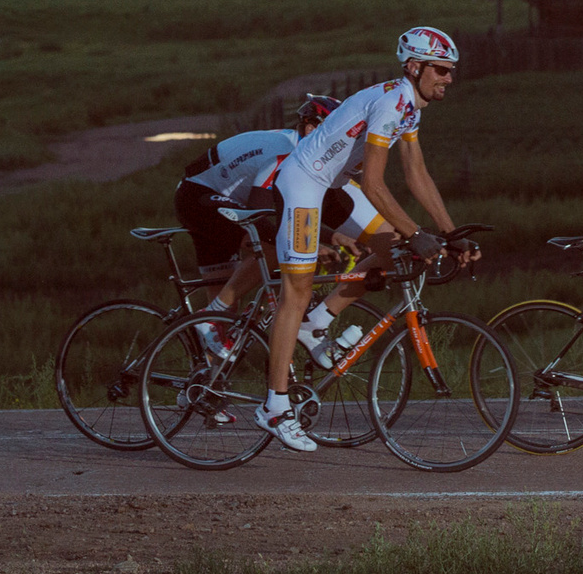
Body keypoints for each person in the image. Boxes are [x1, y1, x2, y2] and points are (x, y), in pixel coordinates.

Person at [250, 27, 472, 452]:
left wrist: (450, 233)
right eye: (442, 70)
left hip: (333, 186)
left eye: (451, 72)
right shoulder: (391, 102)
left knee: (396, 250)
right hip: (303, 183)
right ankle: (275, 407)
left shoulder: (409, 106)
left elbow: (416, 175)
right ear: (415, 66)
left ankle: (318, 324)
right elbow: (373, 183)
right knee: (295, 291)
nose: (448, 78)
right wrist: (418, 231)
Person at [175, 96, 378, 356]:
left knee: (221, 325)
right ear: (311, 129)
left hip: (215, 196)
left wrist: (334, 235)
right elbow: (261, 215)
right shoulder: (286, 152)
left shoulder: (302, 151)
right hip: (199, 198)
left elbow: (291, 209)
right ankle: (210, 317)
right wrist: (312, 244)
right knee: (271, 248)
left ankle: (205, 387)